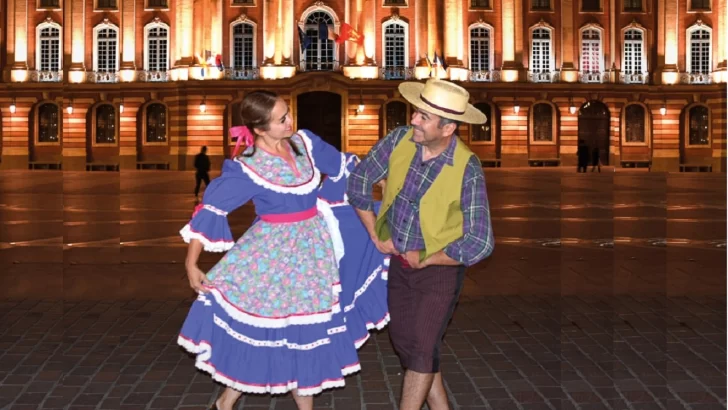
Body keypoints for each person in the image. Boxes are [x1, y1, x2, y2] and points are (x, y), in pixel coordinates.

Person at [177, 90, 389, 410]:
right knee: (269, 331)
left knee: (305, 331)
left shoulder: (305, 144)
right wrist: (191, 263)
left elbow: (343, 163)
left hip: (315, 252)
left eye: (288, 113)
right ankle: (226, 401)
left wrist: (378, 177)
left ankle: (233, 403)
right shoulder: (247, 167)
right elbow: (212, 209)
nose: (290, 121)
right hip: (270, 256)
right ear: (260, 129)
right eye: (281, 119)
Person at [347, 78, 495, 410]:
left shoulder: (467, 167)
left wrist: (428, 257)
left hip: (439, 272)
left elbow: (480, 241)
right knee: (407, 345)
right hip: (399, 266)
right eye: (416, 112)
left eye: (423, 117)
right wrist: (375, 234)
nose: (413, 119)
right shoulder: (398, 140)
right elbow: (358, 181)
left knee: (423, 348)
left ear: (448, 128)